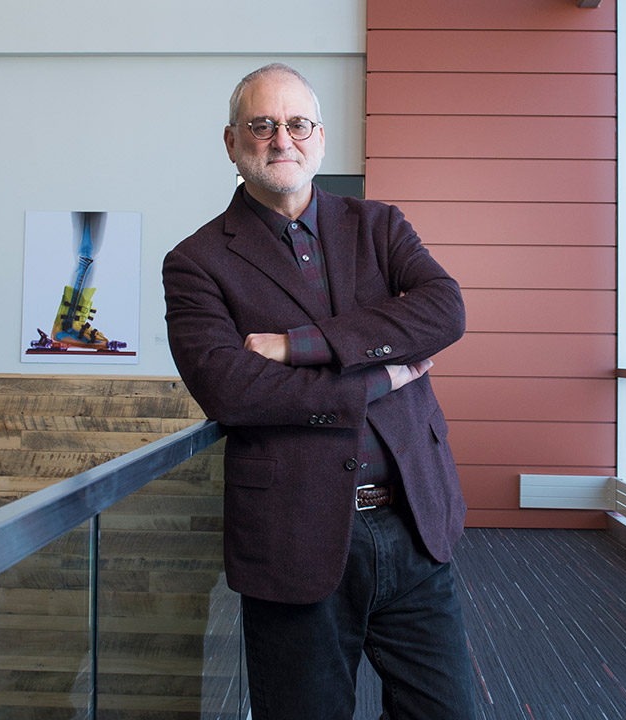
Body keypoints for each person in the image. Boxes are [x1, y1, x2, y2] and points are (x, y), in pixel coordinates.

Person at [162, 63, 476, 719]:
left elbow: (444, 312)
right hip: (294, 539)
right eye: (262, 125)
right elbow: (230, 387)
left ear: (321, 138)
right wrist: (381, 377)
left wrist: (301, 345)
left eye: (297, 123)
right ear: (232, 142)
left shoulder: (380, 226)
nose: (282, 139)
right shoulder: (195, 262)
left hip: (414, 525)